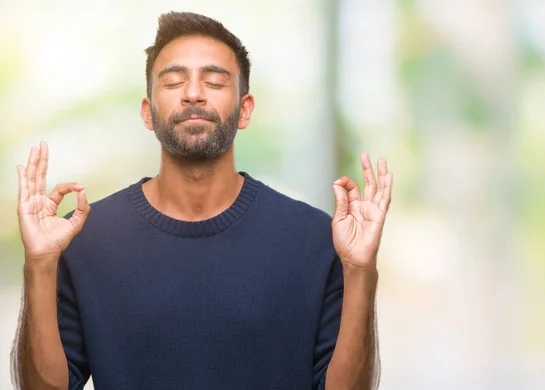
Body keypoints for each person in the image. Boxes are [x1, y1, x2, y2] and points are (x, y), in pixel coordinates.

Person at [10, 11, 393, 390]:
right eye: (174, 81)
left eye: (214, 81)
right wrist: (40, 265)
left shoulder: (312, 237)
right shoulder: (88, 237)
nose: (193, 93)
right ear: (148, 112)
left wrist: (361, 269)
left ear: (245, 110)